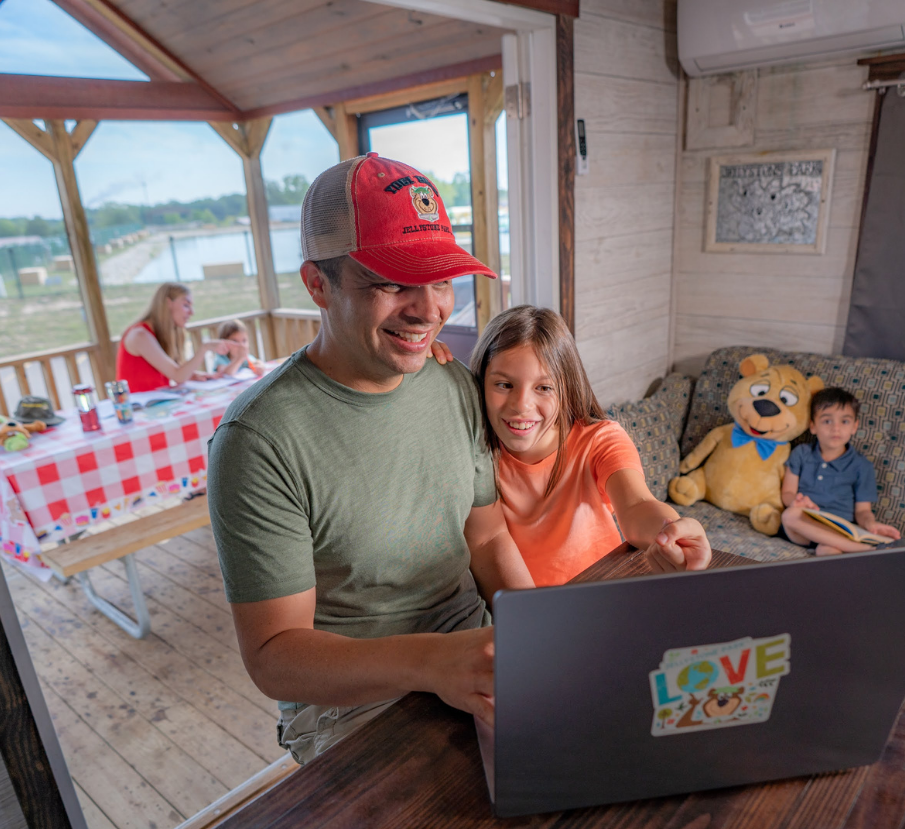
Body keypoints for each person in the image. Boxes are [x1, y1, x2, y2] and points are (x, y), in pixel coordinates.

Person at [207, 153, 534, 765]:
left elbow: (486, 536)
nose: (430, 309)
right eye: (392, 282)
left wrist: (541, 630)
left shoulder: (453, 385)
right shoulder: (257, 441)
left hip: (469, 648)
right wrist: (433, 664)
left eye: (441, 280)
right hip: (349, 700)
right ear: (317, 285)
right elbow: (276, 656)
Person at [471, 306, 711, 585]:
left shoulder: (599, 440)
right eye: (504, 384)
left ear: (567, 388)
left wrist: (671, 531)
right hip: (516, 610)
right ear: (479, 383)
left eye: (544, 388)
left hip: (598, 599)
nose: (521, 405)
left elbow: (637, 504)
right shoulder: (473, 449)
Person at [779, 387, 900, 555]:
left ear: (854, 426)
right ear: (813, 426)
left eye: (844, 421)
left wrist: (871, 524)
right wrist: (795, 501)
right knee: (790, 515)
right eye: (827, 421)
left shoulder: (861, 466)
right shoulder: (801, 453)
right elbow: (787, 493)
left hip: (839, 531)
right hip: (802, 528)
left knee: (826, 551)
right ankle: (867, 550)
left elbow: (863, 511)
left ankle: (850, 554)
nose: (836, 429)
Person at [116, 282, 247, 391]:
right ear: (168, 303)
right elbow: (178, 376)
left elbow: (174, 372)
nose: (192, 312)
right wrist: (205, 347)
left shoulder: (160, 334)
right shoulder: (140, 335)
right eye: (186, 305)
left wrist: (194, 375)